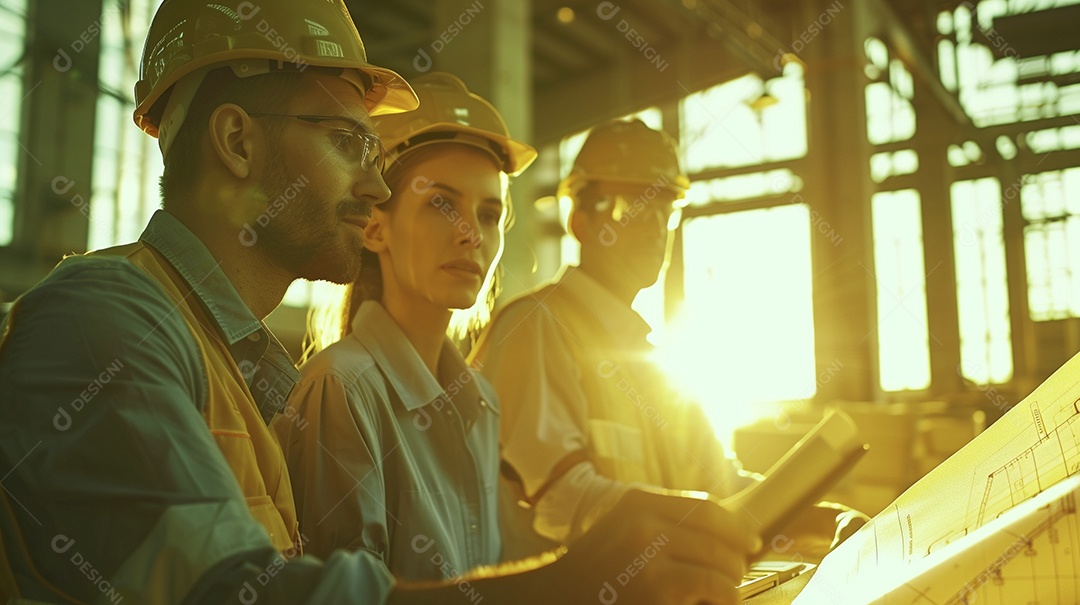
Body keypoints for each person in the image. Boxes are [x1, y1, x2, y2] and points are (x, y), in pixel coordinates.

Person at [0, 3, 759, 604]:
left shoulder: (241, 368)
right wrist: (568, 584)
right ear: (236, 143)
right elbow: (232, 593)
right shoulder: (101, 321)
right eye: (347, 144)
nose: (374, 188)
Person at [472, 118, 865, 554]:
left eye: (667, 210)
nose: (656, 226)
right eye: (631, 206)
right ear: (580, 221)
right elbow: (559, 500)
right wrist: (696, 526)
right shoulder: (539, 328)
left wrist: (823, 517)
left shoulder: (660, 364)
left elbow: (724, 488)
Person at [274, 71, 537, 579]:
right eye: (442, 203)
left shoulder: (480, 401)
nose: (471, 235)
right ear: (374, 227)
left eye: (488, 214)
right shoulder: (341, 390)